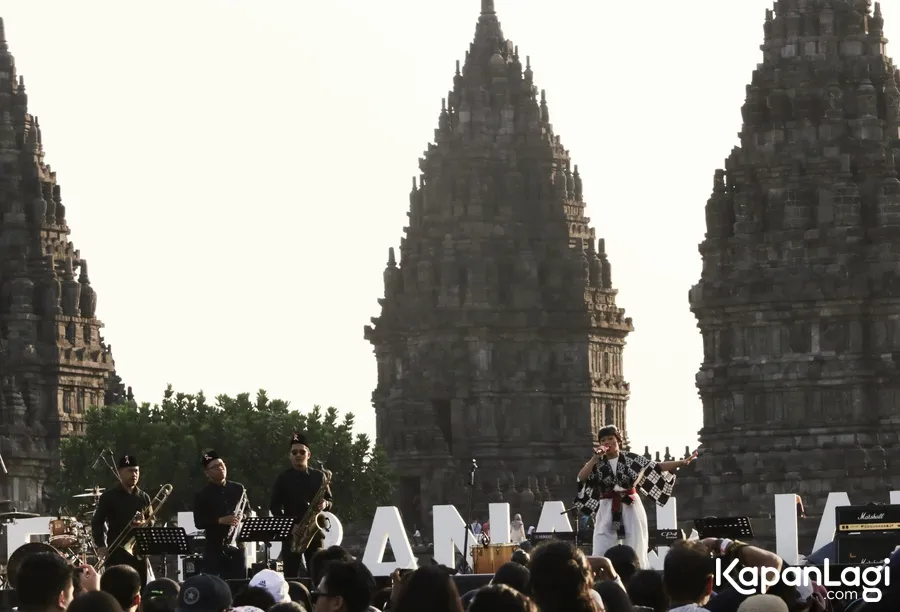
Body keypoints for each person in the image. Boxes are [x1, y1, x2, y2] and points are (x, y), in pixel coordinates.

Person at [574, 425, 696, 568]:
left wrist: (681, 462)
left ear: (618, 441)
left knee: (636, 543)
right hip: (607, 506)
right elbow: (581, 477)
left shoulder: (631, 459)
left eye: (610, 439)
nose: (606, 442)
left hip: (630, 505)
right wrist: (595, 457)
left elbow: (656, 466)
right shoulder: (597, 463)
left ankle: (637, 573)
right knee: (602, 542)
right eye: (603, 440)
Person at [270, 432, 333, 578]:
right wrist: (290, 526)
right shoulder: (283, 478)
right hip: (293, 534)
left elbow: (330, 500)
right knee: (291, 575)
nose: (298, 455)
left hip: (315, 533)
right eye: (294, 452)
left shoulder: (319, 476)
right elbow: (274, 507)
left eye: (302, 452)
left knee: (318, 575)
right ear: (289, 456)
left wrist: (325, 504)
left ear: (308, 454)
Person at [92, 454, 153, 586]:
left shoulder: (144, 497)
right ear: (120, 473)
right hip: (116, 551)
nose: (134, 474)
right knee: (116, 588)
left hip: (138, 554)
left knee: (139, 589)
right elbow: (97, 522)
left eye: (136, 470)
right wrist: (101, 545)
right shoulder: (108, 497)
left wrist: (144, 524)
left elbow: (151, 523)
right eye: (130, 471)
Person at [192, 450, 249, 580]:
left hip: (238, 547)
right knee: (215, 586)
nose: (221, 468)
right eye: (215, 467)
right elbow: (199, 522)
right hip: (214, 548)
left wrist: (242, 517)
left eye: (222, 464)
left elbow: (248, 511)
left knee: (238, 584)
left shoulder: (238, 488)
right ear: (207, 473)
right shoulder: (202, 495)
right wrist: (220, 520)